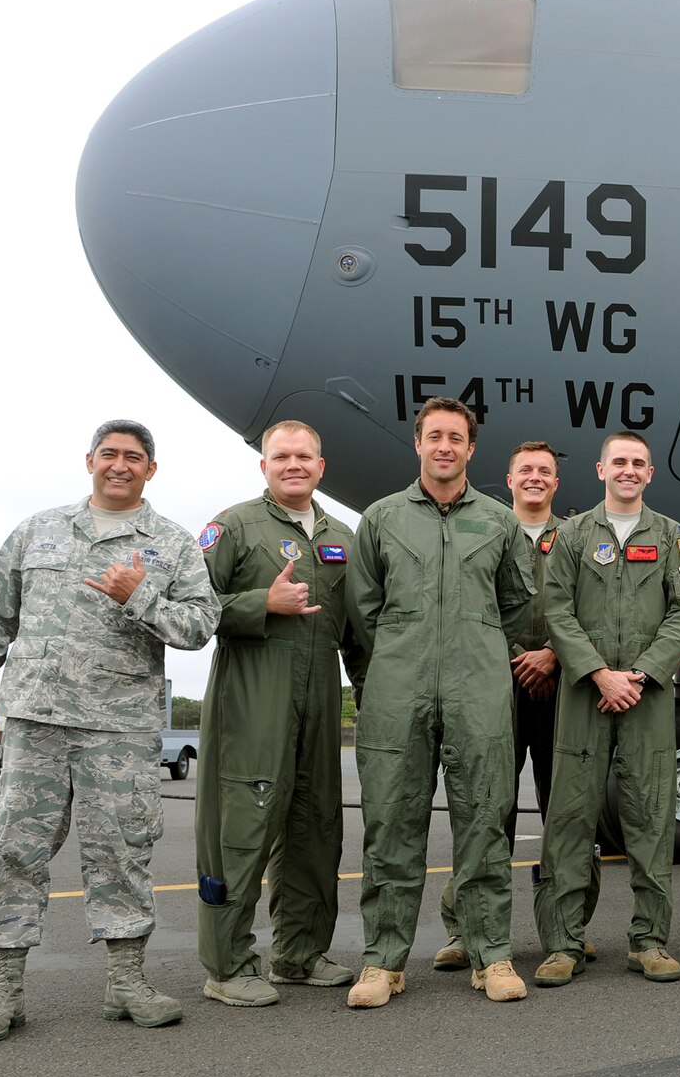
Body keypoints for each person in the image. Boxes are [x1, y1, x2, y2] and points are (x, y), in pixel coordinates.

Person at [0, 420, 220, 1043]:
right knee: (14, 851)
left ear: (151, 470)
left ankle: (126, 982)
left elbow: (198, 625)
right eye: (110, 454)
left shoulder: (173, 545)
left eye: (134, 457)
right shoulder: (38, 530)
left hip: (120, 726)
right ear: (90, 461)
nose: (120, 465)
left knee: (123, 852)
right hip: (36, 720)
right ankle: (4, 991)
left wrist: (141, 597)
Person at [345, 397, 537, 1008]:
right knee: (392, 827)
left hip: (477, 693)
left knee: (484, 822)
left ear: (471, 448)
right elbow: (363, 609)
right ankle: (382, 963)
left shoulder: (500, 522)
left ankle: (492, 957)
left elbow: (519, 605)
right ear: (419, 443)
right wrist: (402, 658)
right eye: (435, 436)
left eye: (456, 437)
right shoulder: (381, 518)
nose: (445, 447)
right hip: (397, 694)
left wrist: (474, 650)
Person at [192, 419, 366, 1007]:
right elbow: (191, 610)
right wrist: (258, 603)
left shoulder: (344, 536)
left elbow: (359, 633)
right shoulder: (234, 526)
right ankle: (226, 965)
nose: (294, 464)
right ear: (263, 465)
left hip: (319, 700)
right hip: (251, 703)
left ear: (322, 466)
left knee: (315, 826)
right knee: (241, 827)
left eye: (305, 456)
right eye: (281, 456)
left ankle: (298, 954)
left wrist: (373, 696)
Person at [532, 431, 680, 987]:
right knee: (570, 818)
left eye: (638, 464)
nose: (628, 471)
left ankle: (650, 941)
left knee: (652, 816)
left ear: (649, 474)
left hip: (647, 694)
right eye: (618, 462)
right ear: (600, 469)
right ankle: (563, 943)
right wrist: (600, 673)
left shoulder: (671, 535)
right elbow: (556, 609)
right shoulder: (574, 535)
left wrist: (645, 672)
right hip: (585, 691)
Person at [433, 441, 592, 972]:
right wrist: (518, 657)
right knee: (486, 811)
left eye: (545, 471)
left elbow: (591, 609)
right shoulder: (489, 530)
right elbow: (467, 603)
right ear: (508, 478)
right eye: (525, 469)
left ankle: (567, 929)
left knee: (567, 813)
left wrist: (551, 656)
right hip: (494, 685)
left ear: (556, 483)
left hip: (564, 688)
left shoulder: (575, 537)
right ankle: (466, 929)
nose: (535, 478)